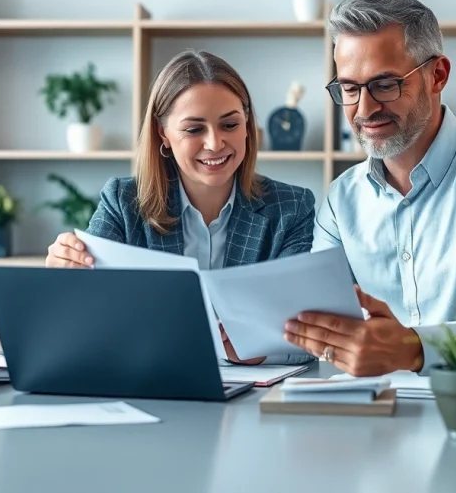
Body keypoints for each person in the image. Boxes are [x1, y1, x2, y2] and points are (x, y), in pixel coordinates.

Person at [283, 0, 456, 386]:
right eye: (349, 89)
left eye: (385, 84)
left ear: (438, 75)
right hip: (376, 410)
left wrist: (413, 347)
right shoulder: (341, 199)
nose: (364, 109)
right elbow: (320, 318)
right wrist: (263, 341)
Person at [45, 49, 317, 365]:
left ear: (247, 125)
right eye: (194, 129)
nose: (215, 143)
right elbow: (82, 320)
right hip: (154, 382)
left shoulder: (291, 208)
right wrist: (64, 279)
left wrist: (261, 350)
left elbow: (309, 339)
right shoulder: (123, 202)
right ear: (163, 134)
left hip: (255, 389)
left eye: (230, 124)